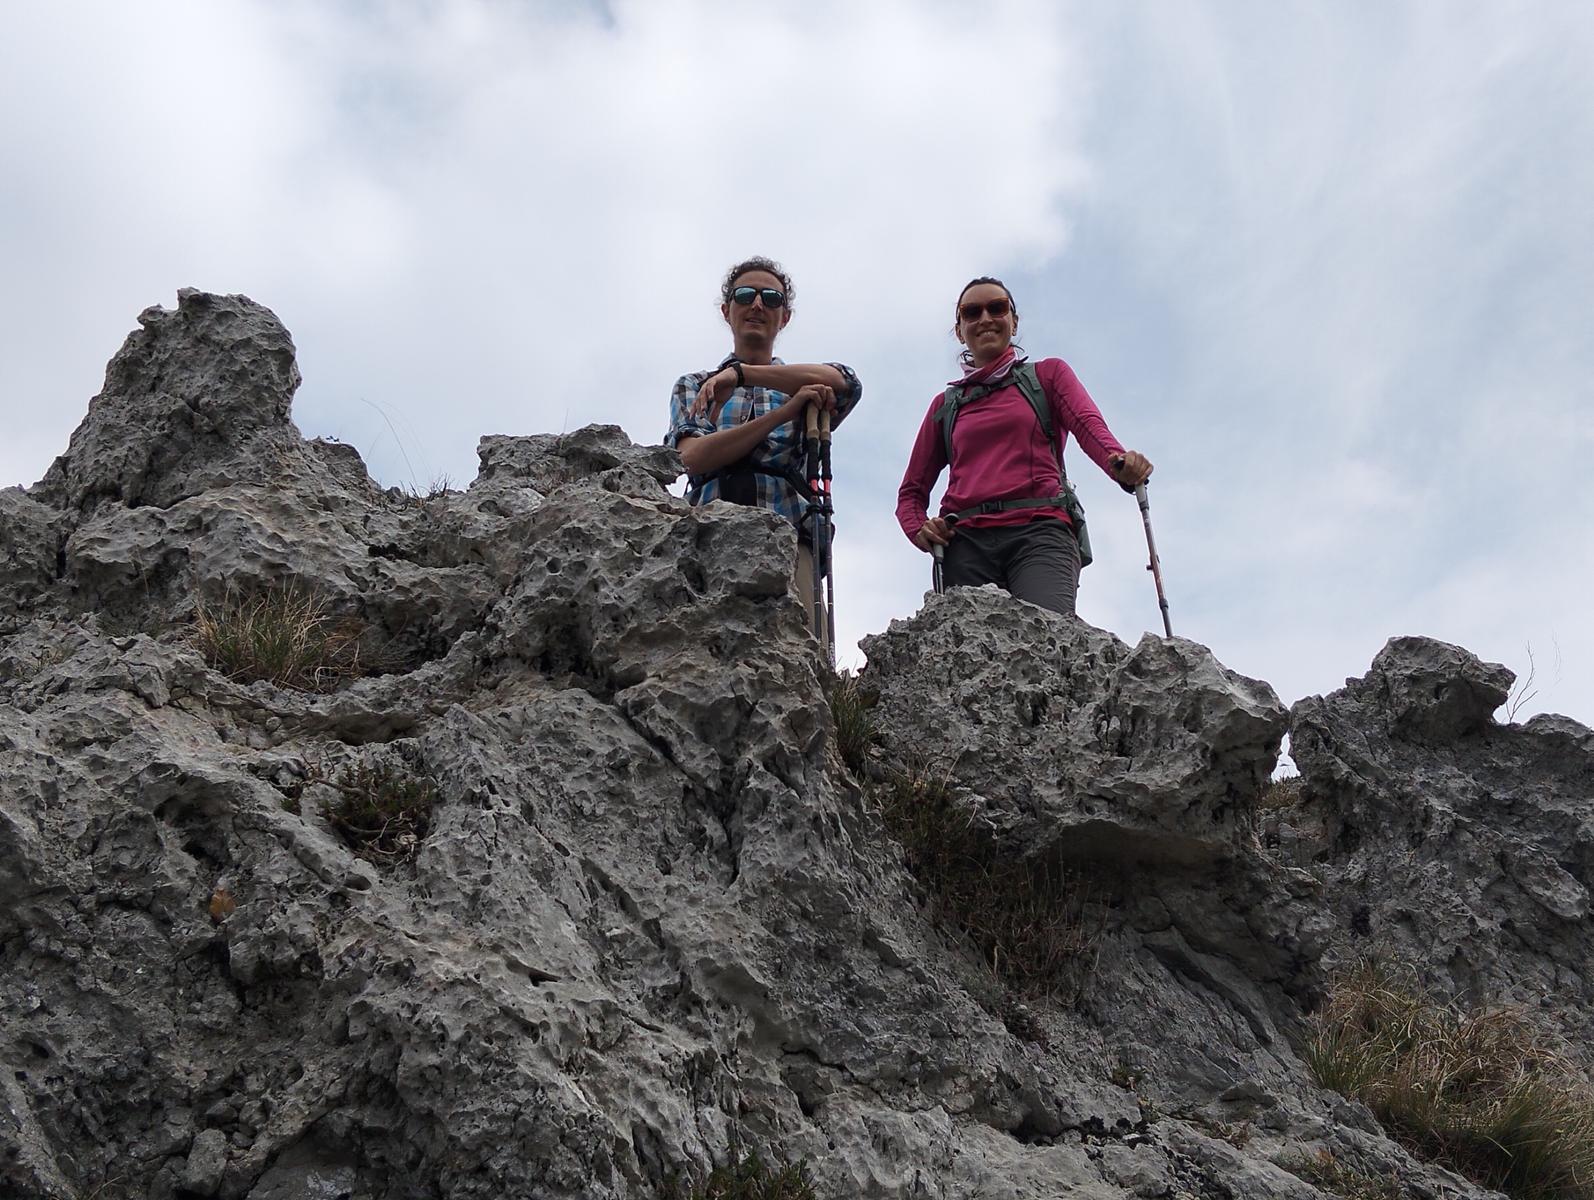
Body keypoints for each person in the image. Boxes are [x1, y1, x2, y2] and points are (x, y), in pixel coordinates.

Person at [896, 276, 1153, 616]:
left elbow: (1088, 425)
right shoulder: (945, 406)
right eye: (972, 312)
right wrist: (920, 530)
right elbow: (911, 494)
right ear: (959, 330)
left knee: (1047, 640)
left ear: (1013, 322)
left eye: (997, 308)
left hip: (1041, 532)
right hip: (965, 544)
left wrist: (1118, 462)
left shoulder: (1047, 376)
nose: (985, 318)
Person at [666, 256, 863, 631]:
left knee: (800, 649)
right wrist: (784, 413)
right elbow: (690, 458)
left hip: (789, 537)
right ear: (727, 310)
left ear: (784, 317)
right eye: (745, 295)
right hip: (707, 533)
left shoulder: (802, 381)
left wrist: (741, 375)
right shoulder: (693, 384)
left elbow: (847, 383)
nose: (757, 305)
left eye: (771, 299)